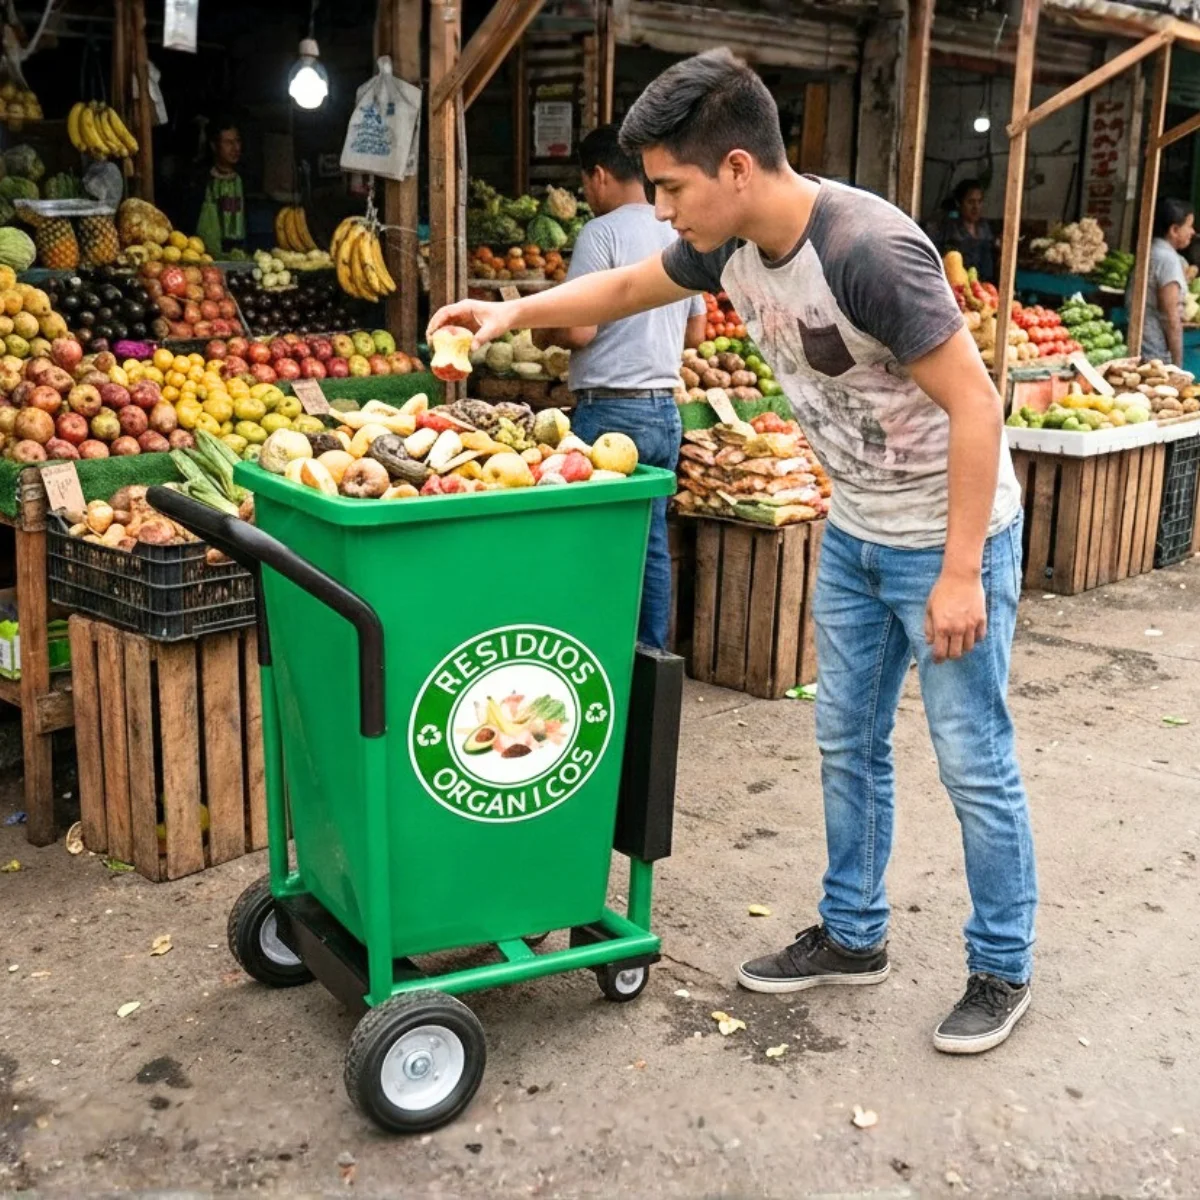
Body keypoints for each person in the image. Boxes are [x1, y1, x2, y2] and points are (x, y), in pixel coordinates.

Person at [430, 48, 1037, 1056]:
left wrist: (963, 570)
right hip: (855, 533)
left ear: (738, 168)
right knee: (845, 744)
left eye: (671, 187)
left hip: (947, 535)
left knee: (973, 762)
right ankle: (853, 936)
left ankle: (1002, 965)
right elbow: (624, 289)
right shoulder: (726, 247)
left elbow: (978, 404)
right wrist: (508, 314)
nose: (662, 210)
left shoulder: (867, 252)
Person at [539, 124, 705, 649]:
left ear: (601, 175)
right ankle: (650, 661)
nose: (588, 195)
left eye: (586, 183)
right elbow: (698, 329)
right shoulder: (678, 230)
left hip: (609, 414)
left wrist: (544, 327)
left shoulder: (602, 233)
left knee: (595, 543)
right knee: (651, 544)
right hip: (663, 411)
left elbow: (580, 329)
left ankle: (598, 654)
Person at [1129, 196, 1194, 366]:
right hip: (1155, 352)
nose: (1193, 232)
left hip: (1141, 343)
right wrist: (1178, 364)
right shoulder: (1167, 259)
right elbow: (1171, 317)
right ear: (1174, 230)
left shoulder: (1149, 250)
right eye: (1189, 226)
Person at [194, 118, 246, 258]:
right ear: (214, 145)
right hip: (206, 257)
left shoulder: (246, 180)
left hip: (242, 254)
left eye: (238, 141)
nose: (236, 148)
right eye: (228, 143)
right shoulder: (199, 182)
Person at [938, 179, 996, 282]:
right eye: (970, 202)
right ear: (959, 203)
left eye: (979, 201)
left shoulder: (985, 228)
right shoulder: (950, 229)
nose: (976, 207)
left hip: (984, 287)